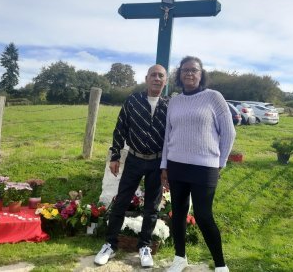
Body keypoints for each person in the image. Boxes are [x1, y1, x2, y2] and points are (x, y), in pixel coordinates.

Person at [160, 56, 236, 272]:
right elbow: (168, 134)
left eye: (194, 70)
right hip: (176, 165)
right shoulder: (174, 101)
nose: (189, 74)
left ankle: (220, 265)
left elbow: (229, 133)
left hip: (205, 168)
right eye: (185, 70)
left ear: (201, 74)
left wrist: (220, 163)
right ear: (179, 74)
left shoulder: (214, 97)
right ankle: (179, 258)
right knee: (178, 214)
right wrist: (164, 165)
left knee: (203, 216)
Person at [94, 64, 168, 268]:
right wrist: (115, 156)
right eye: (153, 75)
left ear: (165, 81)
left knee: (152, 208)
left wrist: (168, 166)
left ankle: (144, 246)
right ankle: (110, 244)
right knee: (121, 202)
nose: (156, 78)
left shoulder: (170, 105)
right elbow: (120, 128)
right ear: (146, 79)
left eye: (160, 75)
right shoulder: (133, 101)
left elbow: (173, 137)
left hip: (157, 162)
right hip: (134, 159)